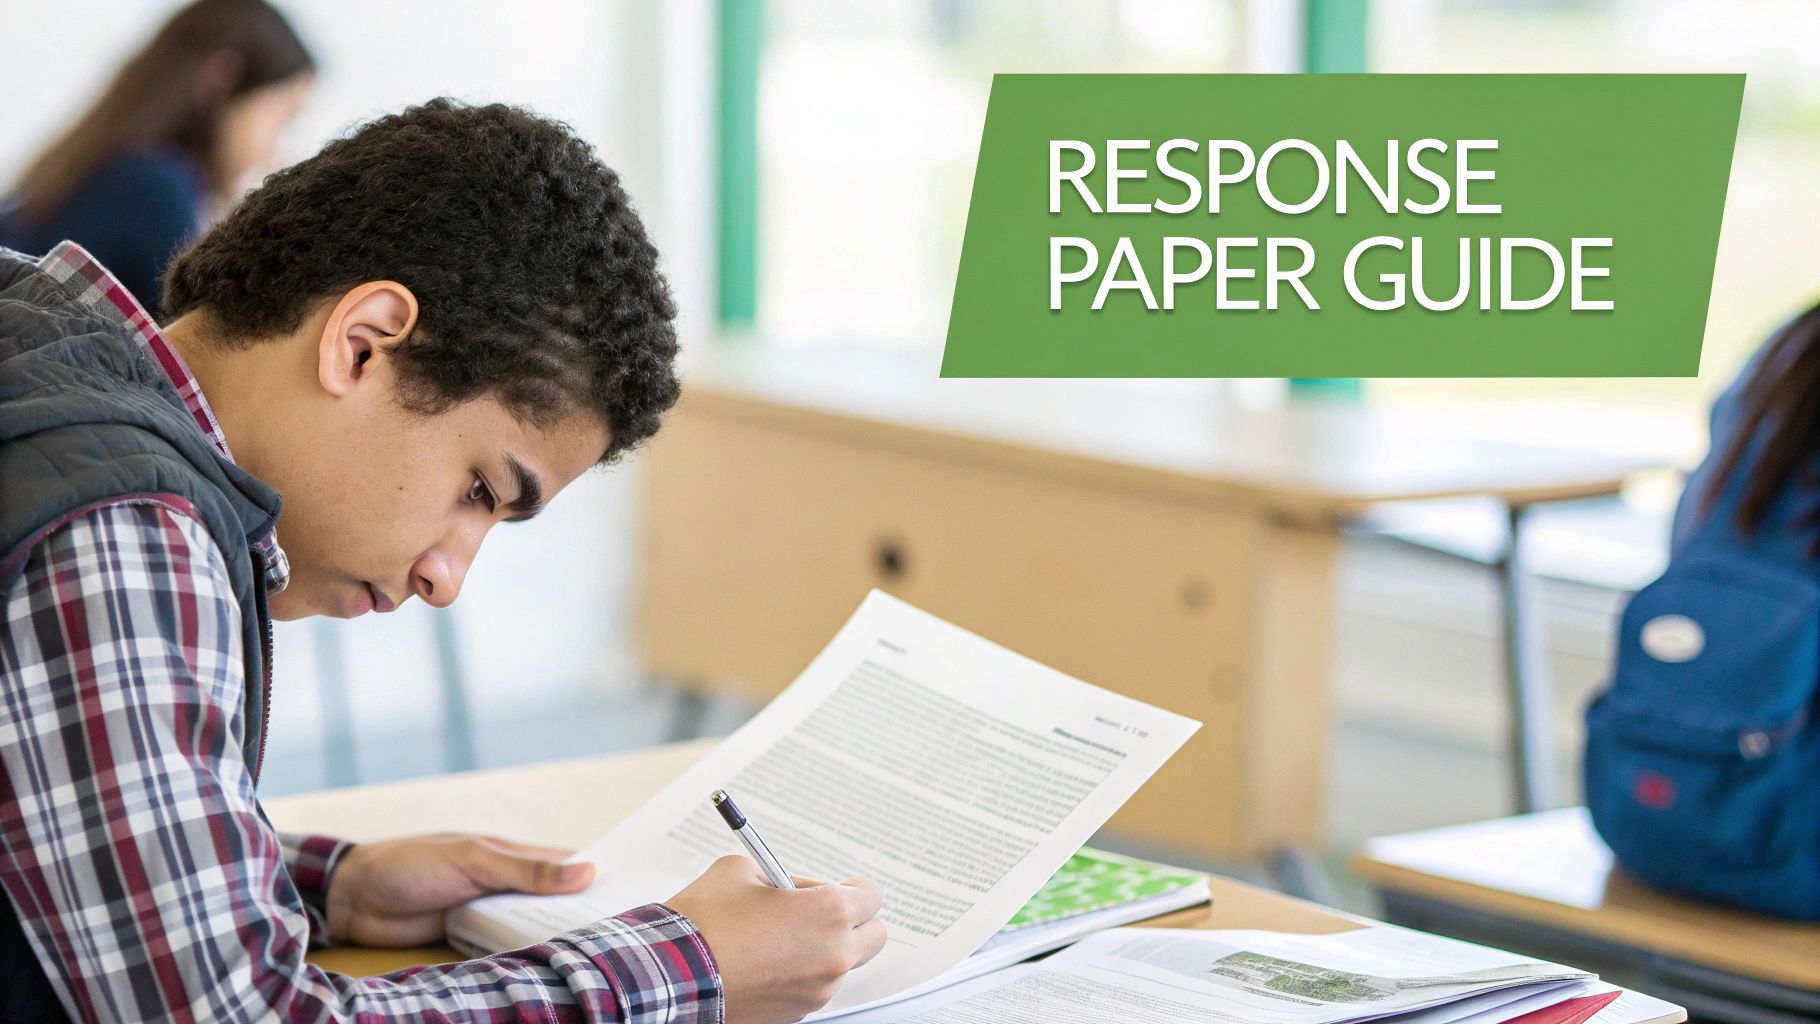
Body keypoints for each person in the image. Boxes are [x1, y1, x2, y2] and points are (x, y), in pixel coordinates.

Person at [0, 100, 885, 1023]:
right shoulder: (122, 524)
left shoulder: (32, 335)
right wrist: (685, 968)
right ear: (365, 342)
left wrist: (324, 882)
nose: (446, 578)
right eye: (480, 492)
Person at [0, 0, 315, 316]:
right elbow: (205, 341)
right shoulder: (151, 185)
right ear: (223, 78)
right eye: (283, 119)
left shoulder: (110, 163)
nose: (277, 151)